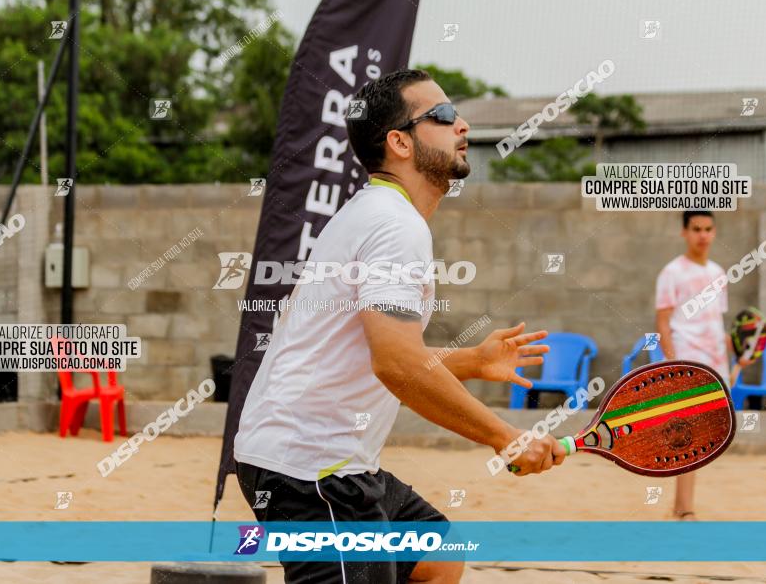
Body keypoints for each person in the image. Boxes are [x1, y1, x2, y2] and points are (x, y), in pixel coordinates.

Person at [233, 68, 566, 583]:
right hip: (310, 468)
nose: (463, 125)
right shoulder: (395, 225)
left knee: (438, 555)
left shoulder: (379, 214)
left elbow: (376, 351)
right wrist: (505, 436)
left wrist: (472, 362)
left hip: (325, 460)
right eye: (445, 116)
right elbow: (396, 363)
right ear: (399, 142)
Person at [655, 210, 753, 520]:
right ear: (684, 232)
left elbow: (715, 323)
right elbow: (663, 324)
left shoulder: (718, 272)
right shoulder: (671, 273)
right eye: (696, 228)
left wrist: (738, 353)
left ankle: (680, 506)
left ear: (715, 231)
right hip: (688, 362)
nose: (703, 235)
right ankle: (685, 509)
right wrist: (674, 364)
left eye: (708, 229)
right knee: (690, 435)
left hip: (716, 365)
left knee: (701, 439)